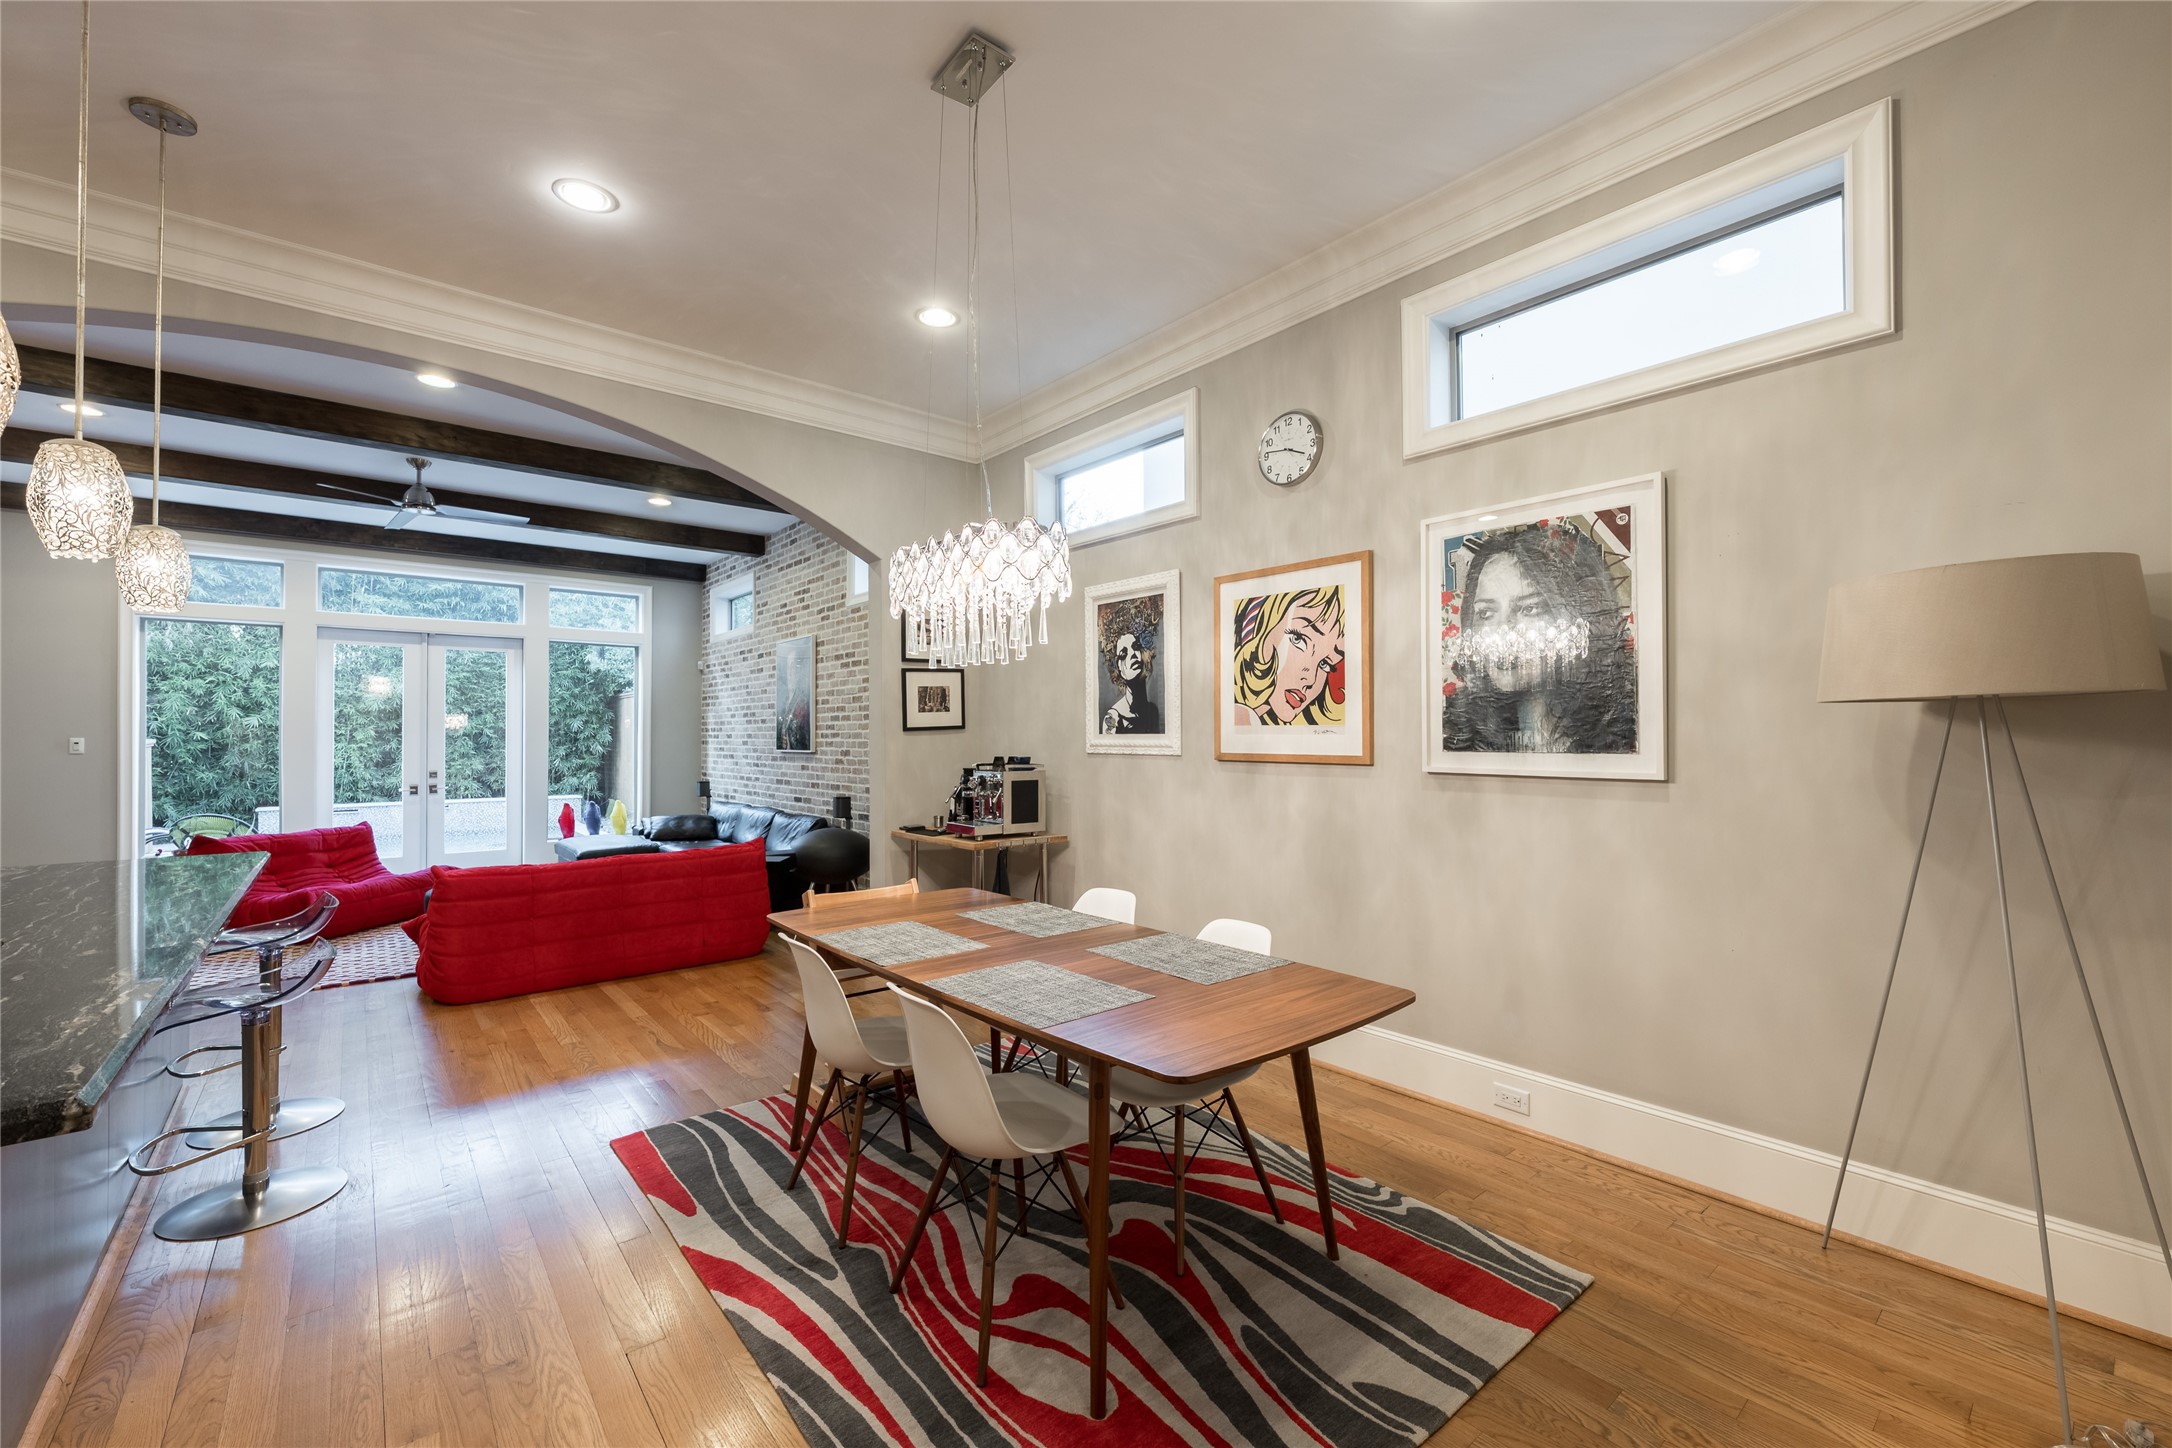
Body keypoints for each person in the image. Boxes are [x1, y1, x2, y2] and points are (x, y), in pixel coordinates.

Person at [1441, 516, 1635, 754]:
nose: (1504, 631)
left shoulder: (1623, 731)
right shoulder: (1459, 734)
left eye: (1528, 609)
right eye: (1486, 613)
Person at [1230, 585, 1345, 727]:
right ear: (1258, 628)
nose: (1310, 679)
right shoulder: (1237, 719)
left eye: (1325, 664)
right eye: (1298, 639)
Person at [1096, 599, 1163, 734]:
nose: (1132, 655)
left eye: (1136, 647)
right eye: (1123, 653)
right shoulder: (1113, 717)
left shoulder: (1152, 712)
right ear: (1117, 667)